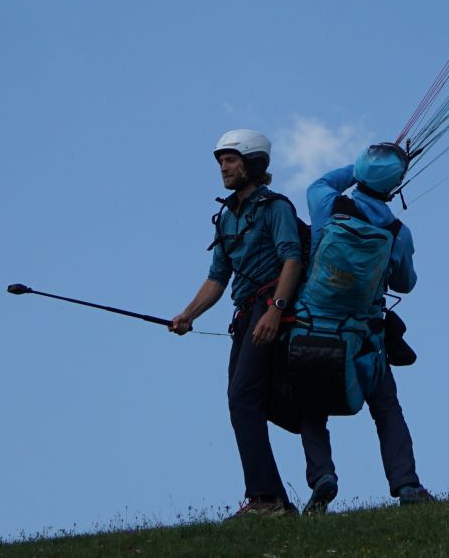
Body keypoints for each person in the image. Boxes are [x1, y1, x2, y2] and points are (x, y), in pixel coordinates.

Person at [168, 129, 331, 520]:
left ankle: (266, 499)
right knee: (246, 400)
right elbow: (217, 278)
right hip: (244, 316)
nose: (223, 167)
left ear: (252, 164)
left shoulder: (275, 208)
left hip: (272, 307)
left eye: (231, 160)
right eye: (221, 161)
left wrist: (275, 309)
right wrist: (188, 314)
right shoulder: (225, 217)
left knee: (242, 398)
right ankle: (282, 483)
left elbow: (291, 259)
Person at [294, 143, 434, 514]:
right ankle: (407, 484)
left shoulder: (327, 205)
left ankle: (322, 475)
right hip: (365, 338)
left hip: (313, 328)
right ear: (393, 186)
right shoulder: (397, 232)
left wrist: (358, 169)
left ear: (359, 171)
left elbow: (322, 181)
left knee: (311, 405)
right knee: (386, 407)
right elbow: (405, 284)